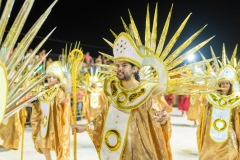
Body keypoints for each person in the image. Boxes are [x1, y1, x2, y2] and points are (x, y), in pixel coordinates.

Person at [72, 3, 215, 160]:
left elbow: (157, 121)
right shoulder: (114, 92)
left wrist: (163, 121)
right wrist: (84, 127)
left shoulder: (145, 94)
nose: (119, 68)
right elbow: (103, 117)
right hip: (115, 149)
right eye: (118, 65)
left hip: (139, 151)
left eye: (124, 65)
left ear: (134, 69)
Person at [197, 45, 240, 160]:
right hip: (212, 131)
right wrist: (205, 105)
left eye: (227, 83)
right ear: (219, 84)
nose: (225, 85)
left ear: (230, 85)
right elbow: (205, 112)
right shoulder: (212, 97)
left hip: (228, 132)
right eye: (223, 83)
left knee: (231, 153)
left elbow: (236, 117)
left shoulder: (235, 99)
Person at [31, 61, 72, 160]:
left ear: (57, 79)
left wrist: (60, 102)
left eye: (53, 77)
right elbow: (40, 102)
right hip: (44, 121)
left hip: (55, 121)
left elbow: (59, 100)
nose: (51, 79)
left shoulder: (59, 90)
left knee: (58, 142)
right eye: (49, 77)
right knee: (40, 142)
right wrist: (33, 103)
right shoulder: (44, 90)